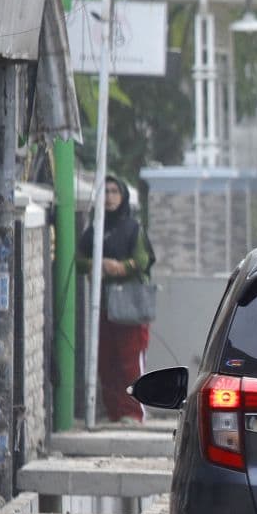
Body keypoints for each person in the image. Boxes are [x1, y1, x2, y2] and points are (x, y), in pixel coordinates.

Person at [81, 175, 156, 423]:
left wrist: (121, 267)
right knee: (106, 361)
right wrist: (97, 264)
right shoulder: (94, 230)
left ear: (122, 197)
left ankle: (133, 412)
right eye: (106, 192)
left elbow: (143, 260)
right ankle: (113, 411)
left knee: (130, 362)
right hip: (102, 307)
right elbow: (79, 260)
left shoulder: (133, 229)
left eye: (115, 191)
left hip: (129, 309)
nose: (110, 197)